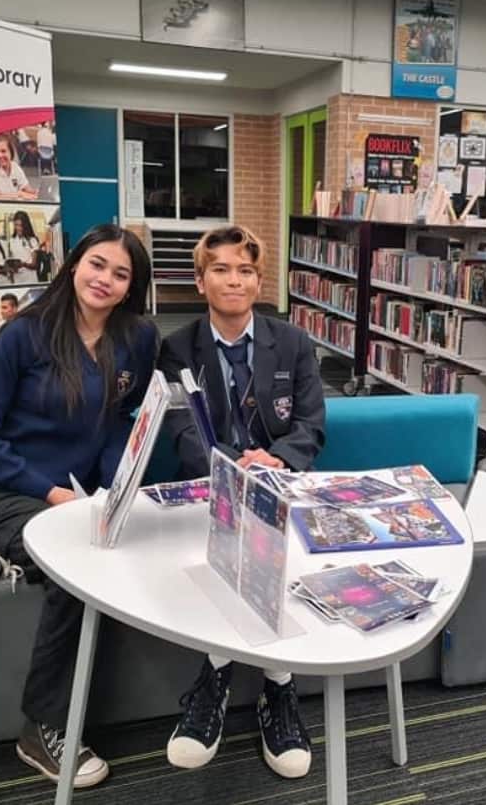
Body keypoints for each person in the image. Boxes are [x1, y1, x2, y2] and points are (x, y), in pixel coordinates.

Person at [0, 224, 158, 789]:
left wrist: (113, 487)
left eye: (121, 273)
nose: (105, 279)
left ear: (133, 287)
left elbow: (119, 421)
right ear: (74, 264)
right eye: (97, 264)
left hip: (75, 502)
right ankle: (43, 726)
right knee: (78, 576)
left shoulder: (137, 338)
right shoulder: (24, 334)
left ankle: (0, 558)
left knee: (116, 548)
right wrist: (51, 492)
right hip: (2, 491)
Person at [157, 224, 325, 780]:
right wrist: (232, 466)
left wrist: (276, 462)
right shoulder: (177, 348)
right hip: (214, 488)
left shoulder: (295, 342)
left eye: (246, 270)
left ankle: (252, 685)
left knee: (280, 545)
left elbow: (310, 425)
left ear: (259, 280)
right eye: (222, 270)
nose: (235, 280)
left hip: (280, 483)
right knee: (224, 548)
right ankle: (260, 684)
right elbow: (181, 429)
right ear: (201, 280)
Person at [0, 133, 38, 200]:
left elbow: (28, 189)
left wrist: (36, 192)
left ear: (11, 152)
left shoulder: (15, 166)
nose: (0, 155)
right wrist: (19, 195)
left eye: (3, 151)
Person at [7, 211, 41, 284]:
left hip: (30, 279)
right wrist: (11, 268)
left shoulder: (32, 240)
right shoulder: (11, 241)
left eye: (21, 225)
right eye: (16, 225)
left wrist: (23, 264)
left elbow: (34, 265)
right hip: (17, 280)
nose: (18, 228)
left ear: (25, 225)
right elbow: (11, 261)